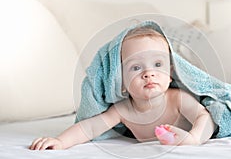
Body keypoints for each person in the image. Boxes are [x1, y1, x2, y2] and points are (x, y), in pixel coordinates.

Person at [29, 27, 217, 150]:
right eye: (136, 68)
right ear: (121, 82)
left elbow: (206, 117)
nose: (148, 73)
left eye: (158, 64)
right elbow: (89, 127)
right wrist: (61, 142)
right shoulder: (123, 111)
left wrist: (194, 138)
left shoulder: (178, 99)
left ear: (170, 73)